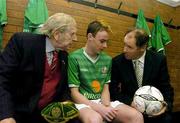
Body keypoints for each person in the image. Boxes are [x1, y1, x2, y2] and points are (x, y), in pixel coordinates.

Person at [0, 13, 77, 123]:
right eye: (72, 34)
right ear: (57, 34)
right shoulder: (22, 42)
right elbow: (2, 79)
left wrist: (69, 105)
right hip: (16, 114)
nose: (75, 39)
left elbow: (63, 90)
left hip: (46, 116)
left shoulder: (64, 56)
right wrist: (5, 115)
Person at [68, 20, 144, 123]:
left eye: (106, 42)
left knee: (136, 116)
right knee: (95, 119)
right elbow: (74, 94)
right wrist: (99, 109)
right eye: (102, 41)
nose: (105, 46)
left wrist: (106, 107)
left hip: (103, 101)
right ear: (90, 37)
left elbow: (105, 88)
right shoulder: (74, 57)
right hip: (83, 103)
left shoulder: (107, 60)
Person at [110, 28, 174, 123]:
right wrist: (130, 102)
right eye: (125, 44)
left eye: (129, 47)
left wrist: (166, 106)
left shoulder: (159, 60)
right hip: (130, 108)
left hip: (154, 110)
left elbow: (166, 88)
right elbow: (113, 90)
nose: (124, 50)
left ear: (143, 47)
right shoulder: (117, 62)